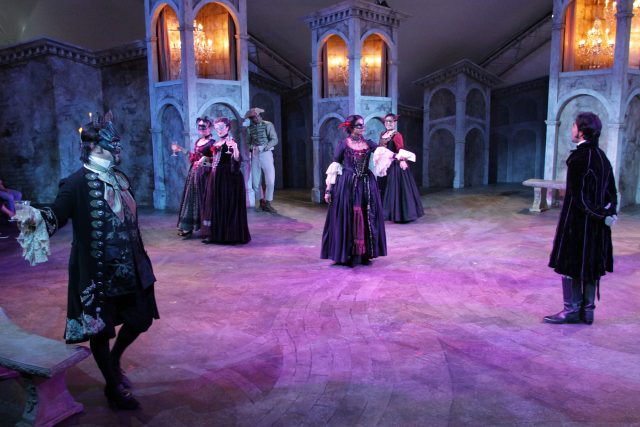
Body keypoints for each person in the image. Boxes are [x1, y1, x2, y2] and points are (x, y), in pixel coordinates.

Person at [16, 112, 159, 410]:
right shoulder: (75, 183)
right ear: (94, 147)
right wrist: (34, 218)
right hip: (98, 273)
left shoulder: (120, 178)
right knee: (100, 330)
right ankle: (112, 385)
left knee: (141, 318)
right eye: (113, 144)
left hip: (132, 267)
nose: (119, 149)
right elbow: (56, 215)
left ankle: (115, 360)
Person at [545, 112, 618, 325]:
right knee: (590, 266)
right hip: (596, 227)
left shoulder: (579, 158)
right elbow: (612, 193)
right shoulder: (601, 157)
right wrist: (607, 214)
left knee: (571, 265)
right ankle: (587, 312)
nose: (572, 129)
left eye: (574, 126)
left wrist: (600, 215)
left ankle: (572, 310)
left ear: (582, 131)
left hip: (578, 225)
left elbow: (580, 199)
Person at [321, 115, 387, 266]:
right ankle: (349, 253)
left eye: (363, 125)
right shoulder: (343, 144)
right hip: (348, 185)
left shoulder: (368, 143)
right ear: (351, 127)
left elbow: (384, 154)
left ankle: (364, 253)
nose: (363, 128)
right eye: (359, 125)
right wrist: (328, 190)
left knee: (366, 215)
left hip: (366, 184)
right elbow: (335, 166)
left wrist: (398, 156)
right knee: (350, 216)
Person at [200, 117, 251, 244]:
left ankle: (229, 235)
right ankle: (215, 234)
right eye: (217, 128)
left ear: (228, 127)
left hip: (228, 178)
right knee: (216, 205)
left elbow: (237, 160)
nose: (219, 130)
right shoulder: (217, 143)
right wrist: (202, 161)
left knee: (227, 205)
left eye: (222, 127)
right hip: (216, 177)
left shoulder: (231, 142)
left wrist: (235, 148)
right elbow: (214, 162)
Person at [377, 113, 424, 223]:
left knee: (394, 188)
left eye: (391, 121)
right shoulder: (382, 134)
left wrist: (402, 161)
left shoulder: (397, 135)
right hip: (384, 165)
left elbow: (400, 149)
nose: (388, 123)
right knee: (383, 187)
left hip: (394, 165)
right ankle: (386, 212)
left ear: (395, 123)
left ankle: (398, 214)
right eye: (386, 121)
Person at [176, 117, 215, 237]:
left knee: (203, 200)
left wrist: (204, 160)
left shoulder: (213, 143)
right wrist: (182, 150)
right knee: (191, 199)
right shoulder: (198, 141)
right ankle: (188, 227)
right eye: (199, 126)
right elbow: (195, 157)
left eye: (203, 126)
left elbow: (214, 160)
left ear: (209, 127)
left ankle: (207, 228)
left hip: (205, 175)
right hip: (194, 173)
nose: (201, 129)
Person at [245, 107, 278, 213]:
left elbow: (274, 139)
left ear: (259, 115)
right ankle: (261, 202)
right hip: (255, 154)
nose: (255, 119)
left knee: (270, 180)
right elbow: (248, 142)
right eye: (253, 118)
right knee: (255, 182)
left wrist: (266, 147)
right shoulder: (249, 129)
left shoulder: (268, 124)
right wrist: (252, 147)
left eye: (256, 116)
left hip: (266, 153)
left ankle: (268, 202)